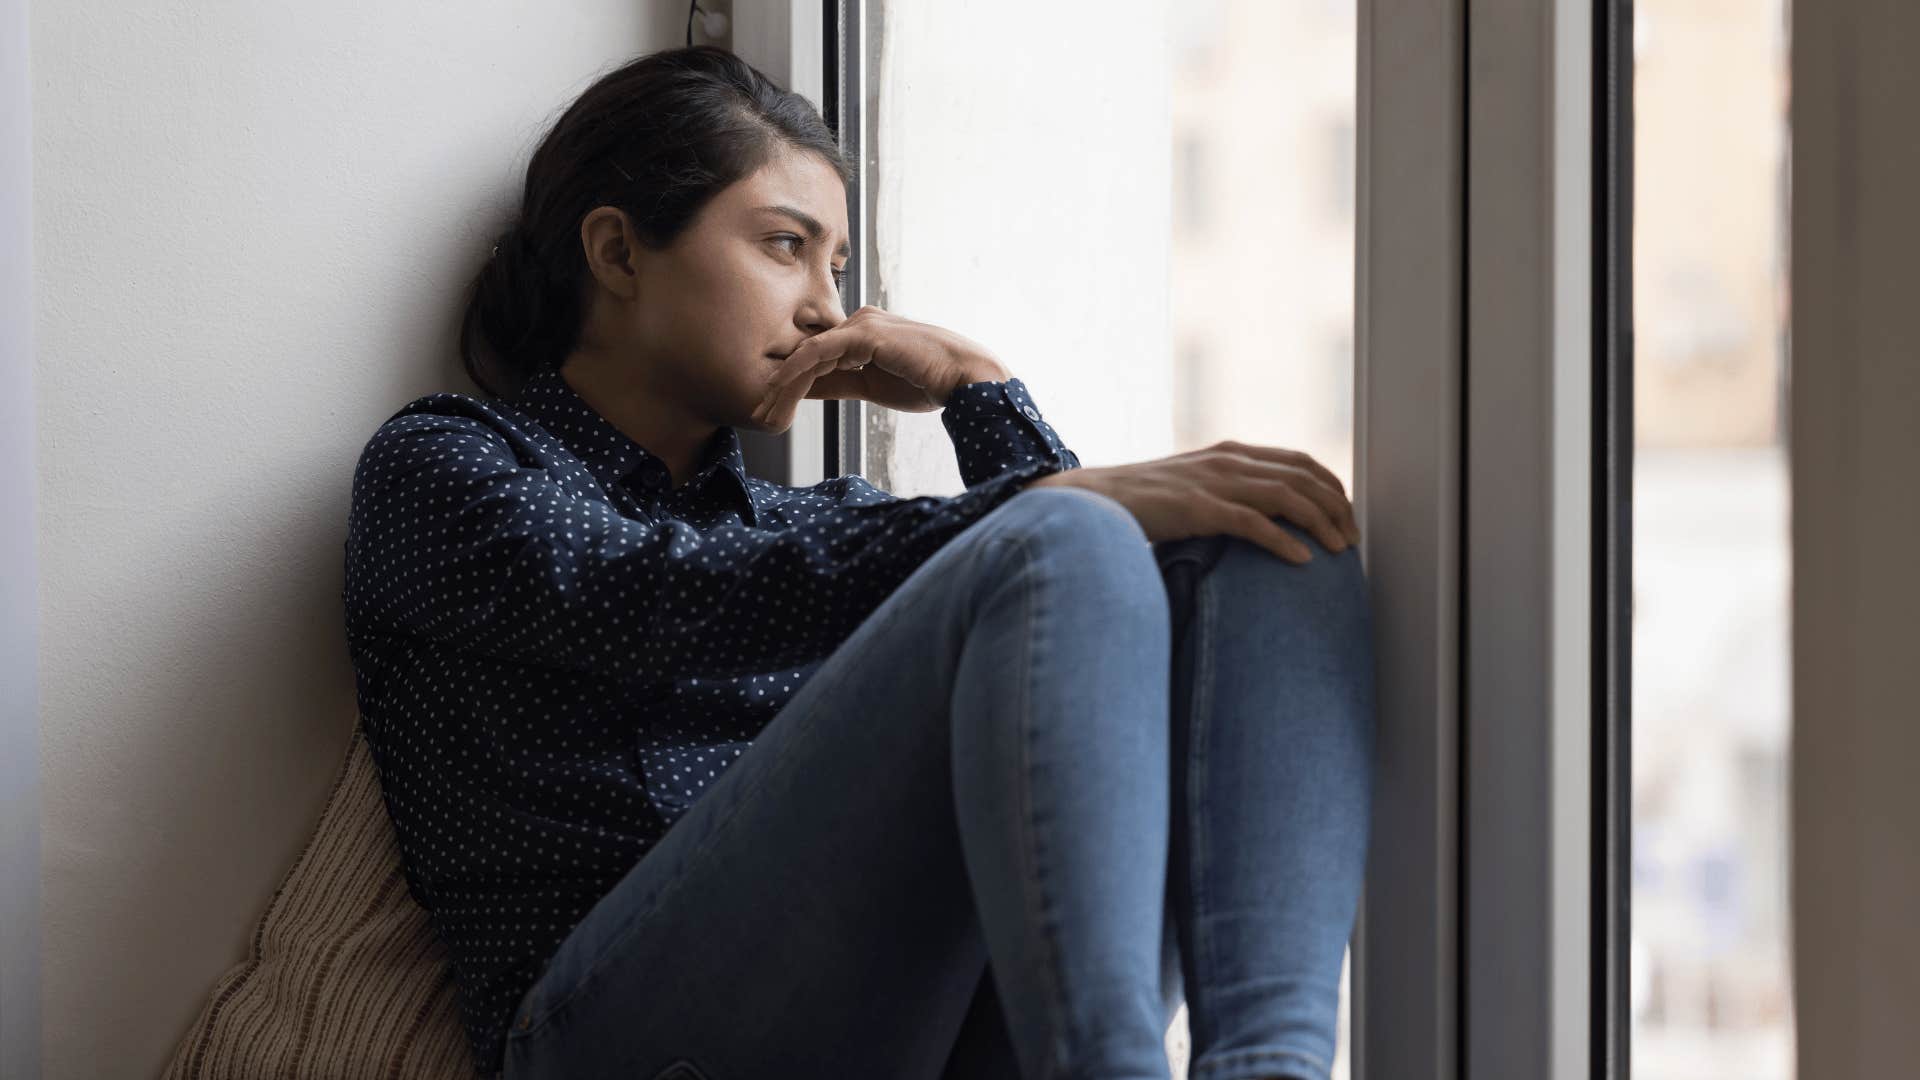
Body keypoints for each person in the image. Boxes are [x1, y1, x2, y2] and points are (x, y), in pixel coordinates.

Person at [341, 43, 1375, 1080]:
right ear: (617, 254)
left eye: (835, 266)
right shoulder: (445, 467)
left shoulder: (824, 522)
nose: (828, 311)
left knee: (1261, 539)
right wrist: (1035, 506)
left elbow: (1076, 636)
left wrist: (981, 387)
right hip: (604, 1036)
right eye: (785, 246)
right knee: (1057, 538)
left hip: (888, 1013)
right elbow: (643, 595)